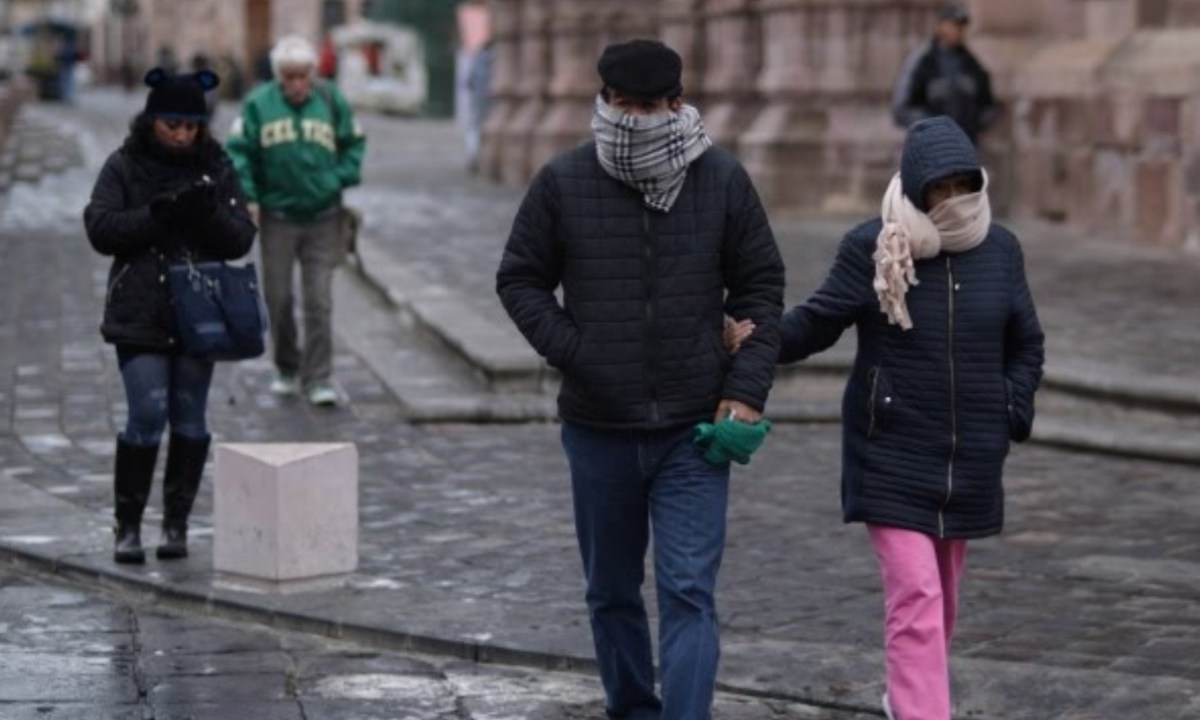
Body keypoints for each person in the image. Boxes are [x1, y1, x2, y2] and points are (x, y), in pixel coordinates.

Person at [496, 39, 785, 720]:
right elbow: (520, 278)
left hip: (694, 428)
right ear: (602, 101)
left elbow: (761, 288)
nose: (635, 120)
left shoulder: (722, 180)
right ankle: (631, 707)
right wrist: (576, 349)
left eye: (649, 106)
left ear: (676, 105)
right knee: (611, 590)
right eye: (622, 104)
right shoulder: (564, 181)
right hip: (598, 426)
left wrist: (745, 390)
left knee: (689, 589)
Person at [762, 117, 1044, 720]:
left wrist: (1010, 408)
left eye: (961, 186)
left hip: (968, 457)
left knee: (941, 602)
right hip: (889, 450)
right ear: (916, 187)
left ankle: (909, 696)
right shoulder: (875, 245)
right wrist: (754, 339)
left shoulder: (1001, 250)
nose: (950, 201)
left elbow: (1027, 344)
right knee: (916, 593)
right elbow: (816, 321)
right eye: (937, 189)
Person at [83, 68, 257, 564]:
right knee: (146, 413)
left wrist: (205, 213)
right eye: (172, 124)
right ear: (153, 120)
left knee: (190, 418)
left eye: (191, 126)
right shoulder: (125, 165)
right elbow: (100, 227)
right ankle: (129, 526)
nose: (182, 135)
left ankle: (176, 524)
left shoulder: (216, 165)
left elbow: (241, 236)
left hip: (199, 312)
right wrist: (156, 215)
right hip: (140, 309)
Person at [226, 35, 366, 406]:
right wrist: (250, 196)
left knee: (319, 300)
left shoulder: (331, 99)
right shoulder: (258, 104)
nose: (297, 84)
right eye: (289, 77)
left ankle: (319, 377)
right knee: (280, 297)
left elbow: (354, 143)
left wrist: (337, 179)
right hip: (278, 218)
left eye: (303, 76)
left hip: (324, 217)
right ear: (278, 77)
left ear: (312, 74)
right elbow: (239, 152)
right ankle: (287, 365)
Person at [891, 3, 1000, 145]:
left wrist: (974, 123)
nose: (958, 30)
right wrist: (932, 126)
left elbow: (988, 106)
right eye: (953, 24)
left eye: (961, 26)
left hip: (964, 148)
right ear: (940, 26)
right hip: (930, 149)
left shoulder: (973, 66)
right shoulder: (922, 62)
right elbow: (901, 109)